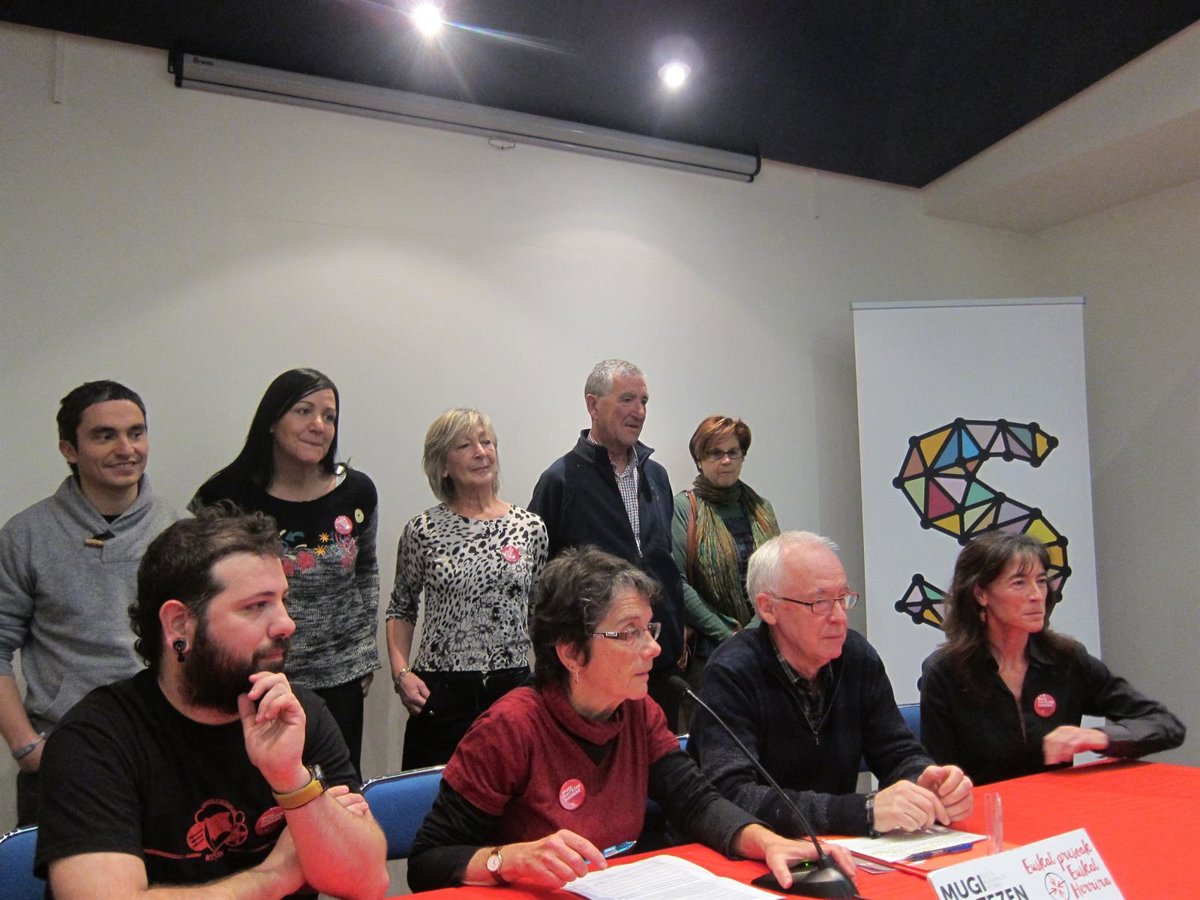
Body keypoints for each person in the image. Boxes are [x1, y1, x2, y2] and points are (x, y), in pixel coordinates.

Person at [406, 547, 855, 892]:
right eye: (629, 633)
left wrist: (769, 841)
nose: (654, 648)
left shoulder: (637, 711)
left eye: (650, 629)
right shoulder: (510, 728)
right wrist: (505, 859)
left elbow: (696, 803)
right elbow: (427, 861)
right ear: (570, 652)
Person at [34, 504, 388, 899]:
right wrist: (271, 878)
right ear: (179, 624)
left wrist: (292, 779)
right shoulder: (95, 740)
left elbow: (368, 883)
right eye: (257, 605)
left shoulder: (298, 715)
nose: (287, 623)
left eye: (282, 600)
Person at [691, 531, 973, 837]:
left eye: (843, 598)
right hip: (750, 849)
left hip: (838, 845)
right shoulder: (732, 671)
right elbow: (733, 795)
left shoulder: (857, 657)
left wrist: (924, 781)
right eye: (820, 602)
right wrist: (861, 811)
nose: (839, 616)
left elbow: (897, 752)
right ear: (768, 608)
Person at [0, 380, 183, 825]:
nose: (126, 449)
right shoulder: (26, 535)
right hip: (65, 752)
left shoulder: (180, 531)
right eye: (105, 436)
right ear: (69, 449)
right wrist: (26, 747)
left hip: (168, 751)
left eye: (136, 433)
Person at [191, 368, 379, 775]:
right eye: (303, 411)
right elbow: (202, 590)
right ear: (272, 420)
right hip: (253, 676)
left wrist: (363, 653)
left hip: (340, 677)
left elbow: (366, 571)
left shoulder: (357, 492)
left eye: (329, 416)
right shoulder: (224, 497)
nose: (319, 425)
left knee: (337, 791)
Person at [920, 530, 1186, 786]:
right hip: (983, 810)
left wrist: (1097, 736)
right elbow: (937, 777)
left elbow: (1164, 724)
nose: (1037, 595)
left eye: (1041, 581)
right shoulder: (946, 672)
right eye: (1019, 583)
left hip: (1058, 808)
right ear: (981, 594)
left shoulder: (1065, 660)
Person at [529, 359, 686, 730]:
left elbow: (661, 560)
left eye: (644, 401)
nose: (639, 412)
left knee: (658, 761)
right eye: (627, 399)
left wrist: (677, 627)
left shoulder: (656, 476)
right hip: (594, 670)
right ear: (593, 405)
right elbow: (539, 582)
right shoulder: (560, 481)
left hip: (656, 660)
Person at [387, 408, 548, 770]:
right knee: (434, 791)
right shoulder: (422, 530)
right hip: (441, 691)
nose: (481, 452)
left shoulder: (530, 528)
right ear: (443, 465)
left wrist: (549, 678)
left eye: (487, 442)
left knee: (513, 789)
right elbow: (401, 608)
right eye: (464, 445)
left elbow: (539, 612)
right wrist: (401, 674)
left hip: (511, 687)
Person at [672, 415, 780, 698]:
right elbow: (678, 583)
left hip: (764, 646)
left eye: (733, 452)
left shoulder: (762, 508)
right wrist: (728, 636)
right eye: (716, 453)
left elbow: (778, 577)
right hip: (709, 654)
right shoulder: (684, 508)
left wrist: (752, 634)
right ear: (699, 459)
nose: (726, 460)